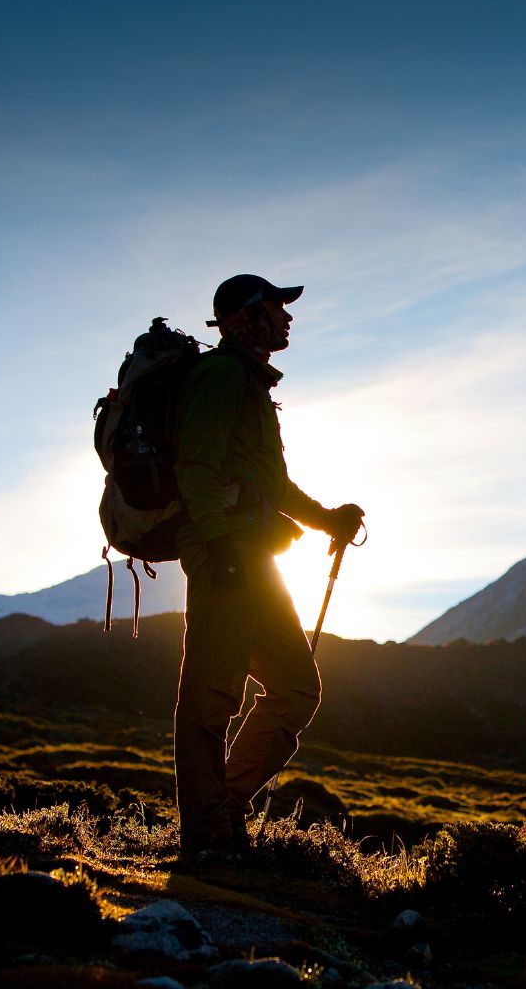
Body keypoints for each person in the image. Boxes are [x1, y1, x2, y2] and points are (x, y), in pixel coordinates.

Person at [172, 274, 363, 860]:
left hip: (254, 557)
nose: (286, 317)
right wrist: (220, 546)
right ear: (243, 318)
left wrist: (328, 519)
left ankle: (224, 812)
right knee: (212, 694)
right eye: (275, 307)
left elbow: (271, 484)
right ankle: (207, 835)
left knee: (297, 688)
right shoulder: (220, 377)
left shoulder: (251, 386)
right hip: (226, 556)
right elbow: (195, 467)